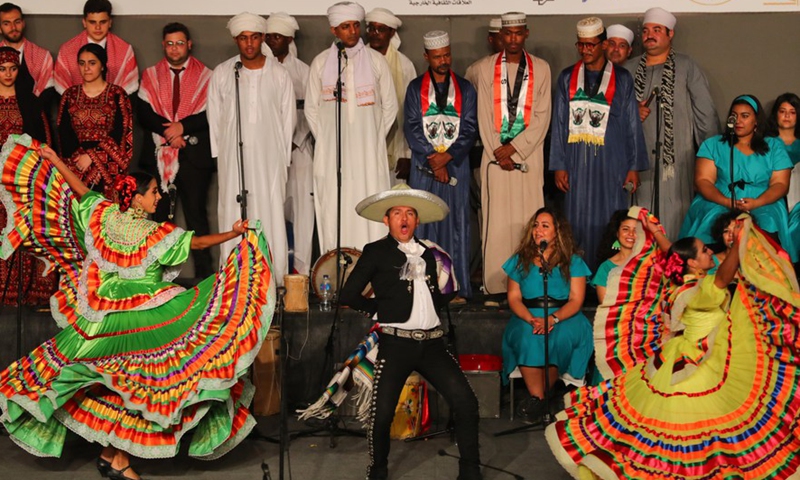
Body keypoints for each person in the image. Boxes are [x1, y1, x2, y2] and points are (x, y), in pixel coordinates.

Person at [0, 135, 272, 480]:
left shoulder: (105, 216)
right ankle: (117, 461)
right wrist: (234, 235)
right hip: (144, 316)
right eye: (155, 191)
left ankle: (110, 456)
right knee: (140, 383)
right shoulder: (155, 233)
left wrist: (54, 160)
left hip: (104, 315)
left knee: (119, 384)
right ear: (139, 198)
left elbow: (81, 191)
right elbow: (198, 242)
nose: (159, 196)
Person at [547, 213, 800, 479]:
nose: (709, 252)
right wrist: (740, 241)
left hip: (684, 357)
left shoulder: (679, 281)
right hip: (698, 363)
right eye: (704, 251)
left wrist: (656, 233)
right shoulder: (698, 289)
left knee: (682, 429)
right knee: (698, 427)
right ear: (693, 263)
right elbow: (723, 278)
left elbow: (674, 255)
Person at [340, 184, 481, 480]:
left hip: (432, 345)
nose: (403, 218)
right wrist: (379, 310)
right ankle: (377, 472)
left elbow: (441, 291)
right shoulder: (376, 252)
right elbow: (349, 293)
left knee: (466, 401)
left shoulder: (430, 253)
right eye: (396, 213)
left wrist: (434, 303)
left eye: (409, 213)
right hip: (396, 344)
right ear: (387, 220)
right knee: (382, 414)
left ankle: (470, 472)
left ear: (416, 221)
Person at [550, 17, 649, 272]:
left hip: (612, 161)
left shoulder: (622, 78)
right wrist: (559, 164)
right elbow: (559, 123)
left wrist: (633, 166)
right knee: (577, 219)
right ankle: (578, 279)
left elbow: (631, 125)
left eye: (591, 45)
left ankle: (609, 276)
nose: (586, 50)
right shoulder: (566, 78)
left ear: (603, 45)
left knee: (611, 218)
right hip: (576, 161)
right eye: (581, 45)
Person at [207, 12, 296, 283]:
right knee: (233, 212)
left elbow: (288, 120)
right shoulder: (223, 73)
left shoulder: (280, 74)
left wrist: (281, 161)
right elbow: (215, 119)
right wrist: (222, 158)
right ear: (236, 40)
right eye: (243, 38)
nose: (249, 44)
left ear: (262, 39)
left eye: (254, 37)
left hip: (270, 159)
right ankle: (233, 279)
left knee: (269, 212)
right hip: (234, 160)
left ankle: (274, 279)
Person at [305, 1, 398, 254]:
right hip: (332, 154)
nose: (353, 31)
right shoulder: (322, 63)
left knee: (370, 205)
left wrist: (374, 138)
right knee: (336, 207)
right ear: (334, 30)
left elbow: (390, 106)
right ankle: (336, 273)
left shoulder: (377, 61)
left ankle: (372, 273)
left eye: (356, 25)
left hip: (369, 153)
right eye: (345, 27)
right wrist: (326, 140)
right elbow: (312, 109)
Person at [472, 12, 552, 298]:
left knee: (529, 220)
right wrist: (498, 149)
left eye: (519, 33)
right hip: (495, 160)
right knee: (496, 225)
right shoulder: (484, 68)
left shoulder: (541, 68)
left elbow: (542, 117)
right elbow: (483, 113)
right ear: (501, 36)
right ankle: (495, 286)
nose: (514, 38)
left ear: (526, 34)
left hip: (528, 157)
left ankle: (529, 284)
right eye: (508, 34)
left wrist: (515, 149)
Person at [625, 7, 719, 238]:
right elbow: (611, 117)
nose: (649, 35)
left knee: (677, 218)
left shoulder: (687, 67)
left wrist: (709, 163)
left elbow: (705, 115)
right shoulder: (627, 70)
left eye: (657, 30)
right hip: (637, 163)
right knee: (638, 219)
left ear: (670, 34)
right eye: (646, 30)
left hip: (678, 162)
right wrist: (631, 112)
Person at [405, 30, 478, 302]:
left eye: (447, 54)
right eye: (437, 57)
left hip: (455, 166)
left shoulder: (465, 88)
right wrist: (433, 160)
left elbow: (470, 129)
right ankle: (424, 288)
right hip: (425, 168)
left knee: (456, 223)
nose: (443, 60)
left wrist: (447, 158)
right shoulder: (415, 88)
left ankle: (456, 289)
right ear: (427, 57)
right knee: (424, 224)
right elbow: (412, 128)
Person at [137, 23, 215, 278]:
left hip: (193, 159)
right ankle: (156, 279)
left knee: (196, 220)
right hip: (158, 159)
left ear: (189, 44)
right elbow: (144, 113)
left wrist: (183, 126)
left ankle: (206, 280)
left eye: (179, 43)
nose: (174, 48)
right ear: (163, 45)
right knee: (159, 221)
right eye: (169, 43)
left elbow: (212, 113)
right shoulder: (151, 74)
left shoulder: (207, 75)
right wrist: (171, 133)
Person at [502, 207, 593, 422]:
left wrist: (552, 319)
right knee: (527, 335)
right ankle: (540, 399)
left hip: (564, 315)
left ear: (557, 231)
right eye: (535, 226)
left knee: (557, 336)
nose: (538, 230)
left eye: (545, 226)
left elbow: (576, 300)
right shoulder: (519, 260)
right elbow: (514, 297)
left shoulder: (573, 262)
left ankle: (537, 400)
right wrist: (530, 319)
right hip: (528, 314)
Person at [679, 94, 796, 261]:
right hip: (719, 199)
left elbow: (780, 184)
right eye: (734, 116)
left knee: (766, 221)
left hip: (763, 200)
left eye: (745, 116)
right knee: (714, 220)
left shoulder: (774, 146)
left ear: (756, 120)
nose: (738, 121)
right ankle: (710, 269)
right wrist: (727, 202)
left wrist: (757, 203)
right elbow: (703, 181)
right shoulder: (713, 145)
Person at [0, 46, 57, 305]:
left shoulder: (29, 102)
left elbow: (41, 140)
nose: (8, 74)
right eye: (2, 69)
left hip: (20, 179)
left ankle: (24, 291)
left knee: (21, 230)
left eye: (13, 69)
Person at [264, 12, 314, 276]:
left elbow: (310, 111)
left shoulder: (305, 71)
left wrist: (293, 140)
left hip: (301, 151)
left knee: (304, 217)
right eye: (269, 36)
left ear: (289, 39)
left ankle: (302, 277)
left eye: (278, 37)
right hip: (271, 154)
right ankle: (272, 274)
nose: (273, 41)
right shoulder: (260, 70)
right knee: (271, 212)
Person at [57, 43, 133, 200]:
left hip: (108, 172)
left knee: (106, 219)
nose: (86, 68)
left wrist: (93, 158)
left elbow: (122, 132)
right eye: (82, 63)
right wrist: (82, 161)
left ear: (103, 66)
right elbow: (64, 132)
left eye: (92, 63)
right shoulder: (70, 95)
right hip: (76, 169)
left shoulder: (117, 94)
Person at [365, 7, 415, 184]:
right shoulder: (356, 60)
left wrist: (406, 154)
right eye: (371, 28)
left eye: (381, 29)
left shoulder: (404, 65)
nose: (375, 34)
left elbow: (410, 113)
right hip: (363, 144)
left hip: (397, 147)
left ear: (392, 32)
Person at [54, 0, 138, 95]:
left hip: (115, 106)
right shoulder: (67, 50)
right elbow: (62, 92)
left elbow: (129, 92)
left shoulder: (125, 50)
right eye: (92, 22)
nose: (98, 27)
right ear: (84, 22)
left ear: (110, 22)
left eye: (103, 22)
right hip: (76, 107)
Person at [0, 3, 54, 98]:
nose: (13, 28)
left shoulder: (42, 55)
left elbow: (47, 92)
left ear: (23, 23)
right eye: (6, 23)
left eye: (17, 22)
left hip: (34, 110)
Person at [591, 210, 637, 303]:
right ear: (617, 233)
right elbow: (606, 306)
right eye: (625, 229)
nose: (631, 234)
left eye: (636, 230)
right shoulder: (606, 268)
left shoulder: (651, 262)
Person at [764, 92, 800, 207]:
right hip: (772, 200)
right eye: (782, 111)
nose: (787, 116)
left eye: (792, 112)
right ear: (776, 114)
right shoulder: (765, 143)